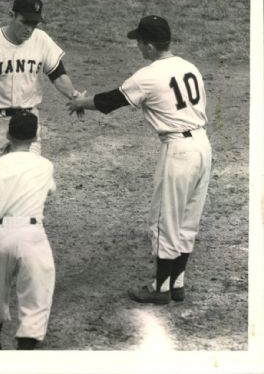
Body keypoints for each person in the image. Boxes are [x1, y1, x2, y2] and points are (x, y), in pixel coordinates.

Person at [67, 15, 212, 304]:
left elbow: (112, 100)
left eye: (138, 43)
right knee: (187, 219)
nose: (137, 47)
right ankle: (177, 283)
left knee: (164, 221)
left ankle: (160, 289)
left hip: (178, 150)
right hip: (203, 146)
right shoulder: (189, 67)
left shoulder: (148, 75)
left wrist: (79, 102)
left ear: (148, 46)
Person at [0, 112, 57, 350]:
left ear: (8, 135)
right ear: (36, 136)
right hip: (31, 236)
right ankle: (24, 350)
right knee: (37, 294)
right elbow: (49, 191)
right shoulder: (45, 166)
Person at [0, 0, 82, 171]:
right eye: (25, 22)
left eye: (34, 24)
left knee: (28, 175)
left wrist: (74, 94)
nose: (29, 28)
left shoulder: (41, 40)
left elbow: (58, 74)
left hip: (28, 120)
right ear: (11, 15)